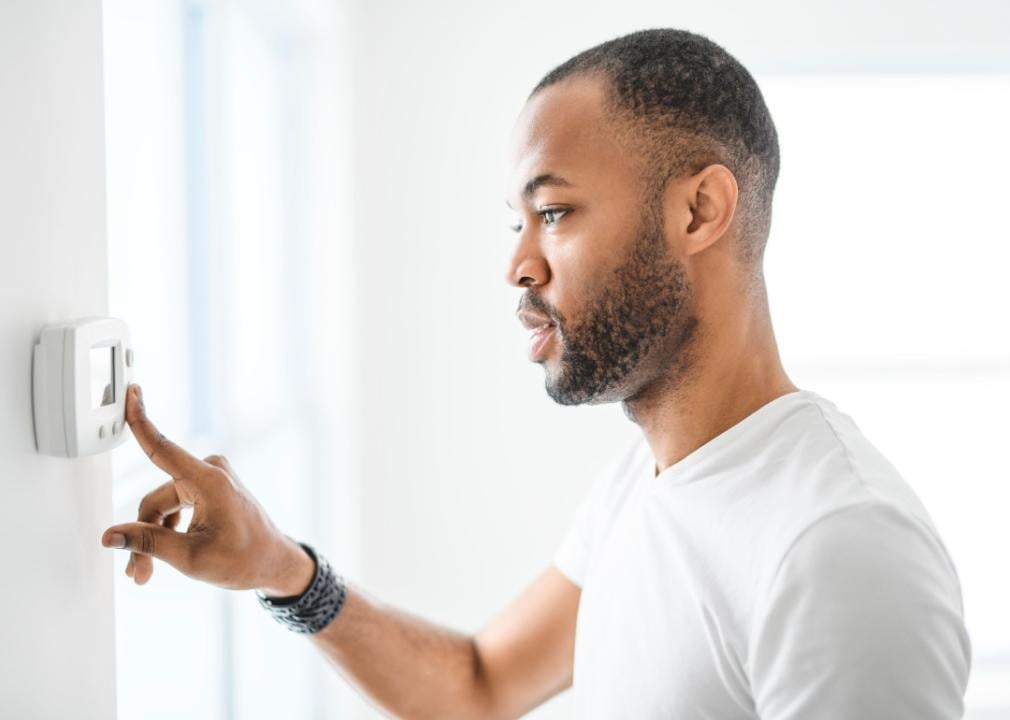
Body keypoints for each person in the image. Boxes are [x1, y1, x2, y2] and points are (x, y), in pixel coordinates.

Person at [100, 28, 971, 719]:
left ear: (700, 209)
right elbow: (477, 687)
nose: (519, 265)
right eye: (516, 222)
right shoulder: (647, 477)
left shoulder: (837, 551)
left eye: (552, 212)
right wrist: (280, 569)